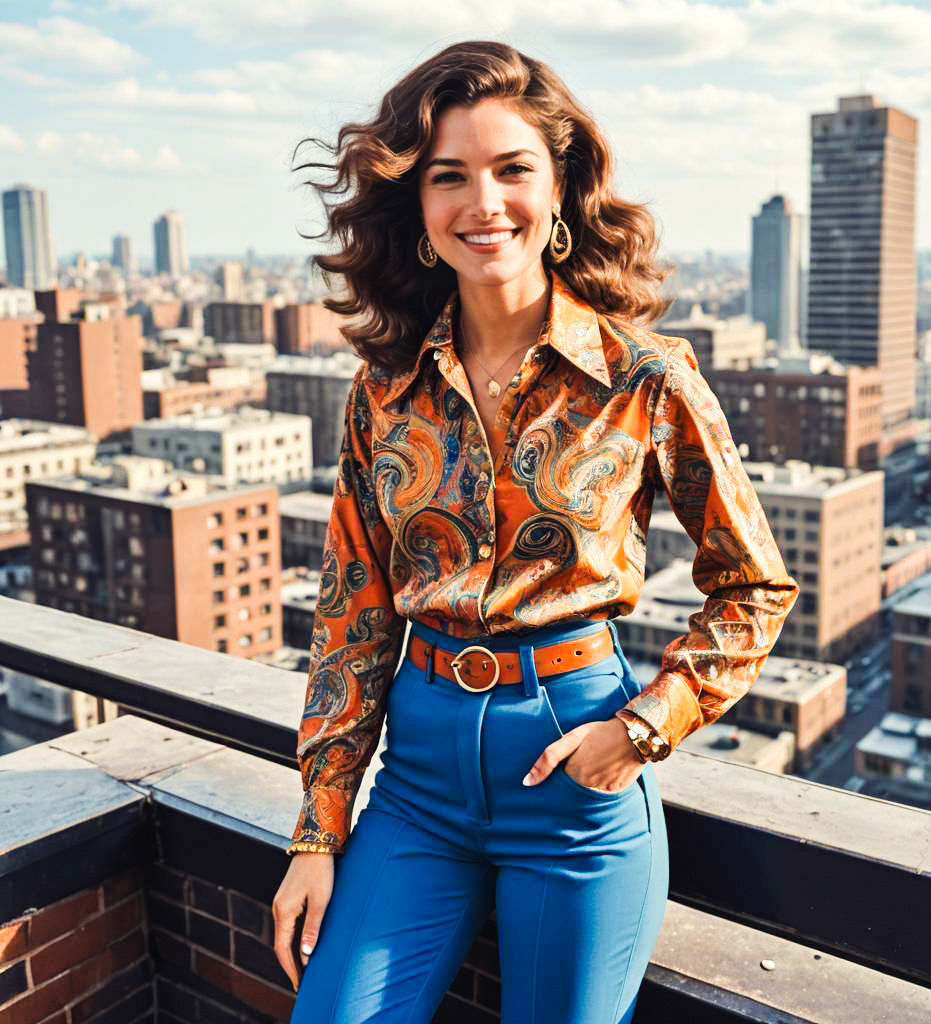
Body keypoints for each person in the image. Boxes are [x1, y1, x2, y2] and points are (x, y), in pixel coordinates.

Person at [273, 39, 799, 1024]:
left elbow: (754, 585)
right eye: (449, 177)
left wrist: (645, 728)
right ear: (419, 209)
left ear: (559, 189)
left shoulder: (647, 377)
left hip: (572, 771)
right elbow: (351, 618)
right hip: (416, 787)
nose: (484, 203)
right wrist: (315, 833)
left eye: (513, 169)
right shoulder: (383, 392)